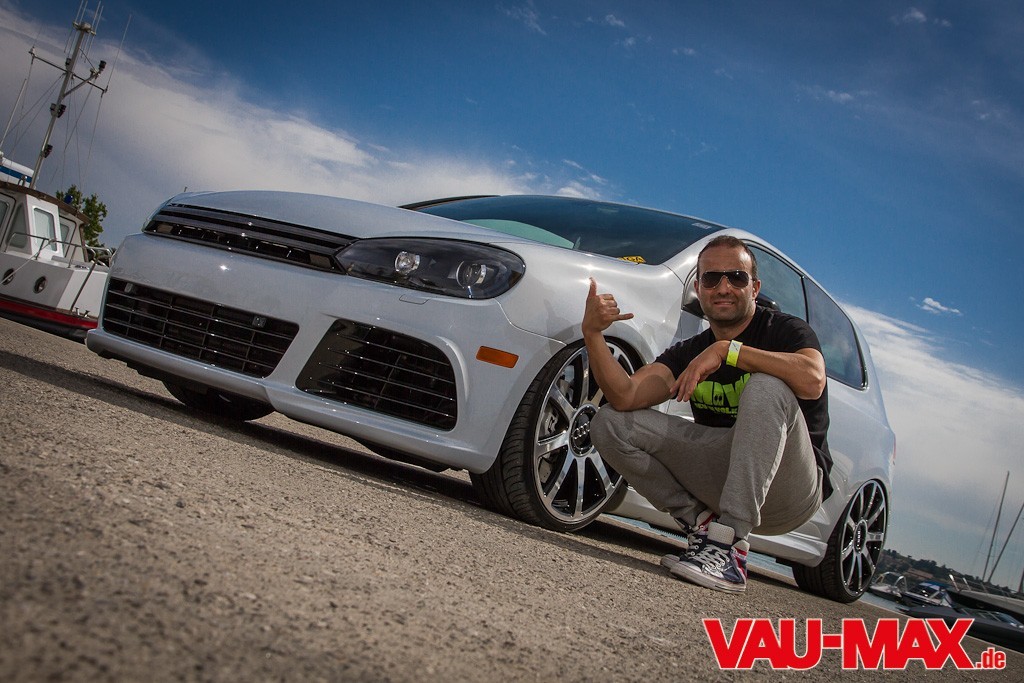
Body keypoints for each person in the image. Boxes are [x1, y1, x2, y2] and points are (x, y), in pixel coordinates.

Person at [584, 235, 832, 594]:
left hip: (789, 490)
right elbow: (624, 396)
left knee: (767, 386)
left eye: (736, 277)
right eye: (712, 279)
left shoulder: (785, 331)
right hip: (724, 476)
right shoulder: (691, 351)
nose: (723, 288)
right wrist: (593, 333)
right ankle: (703, 528)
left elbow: (813, 380)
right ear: (699, 289)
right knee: (609, 423)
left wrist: (729, 351)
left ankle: (730, 548)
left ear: (755, 288)